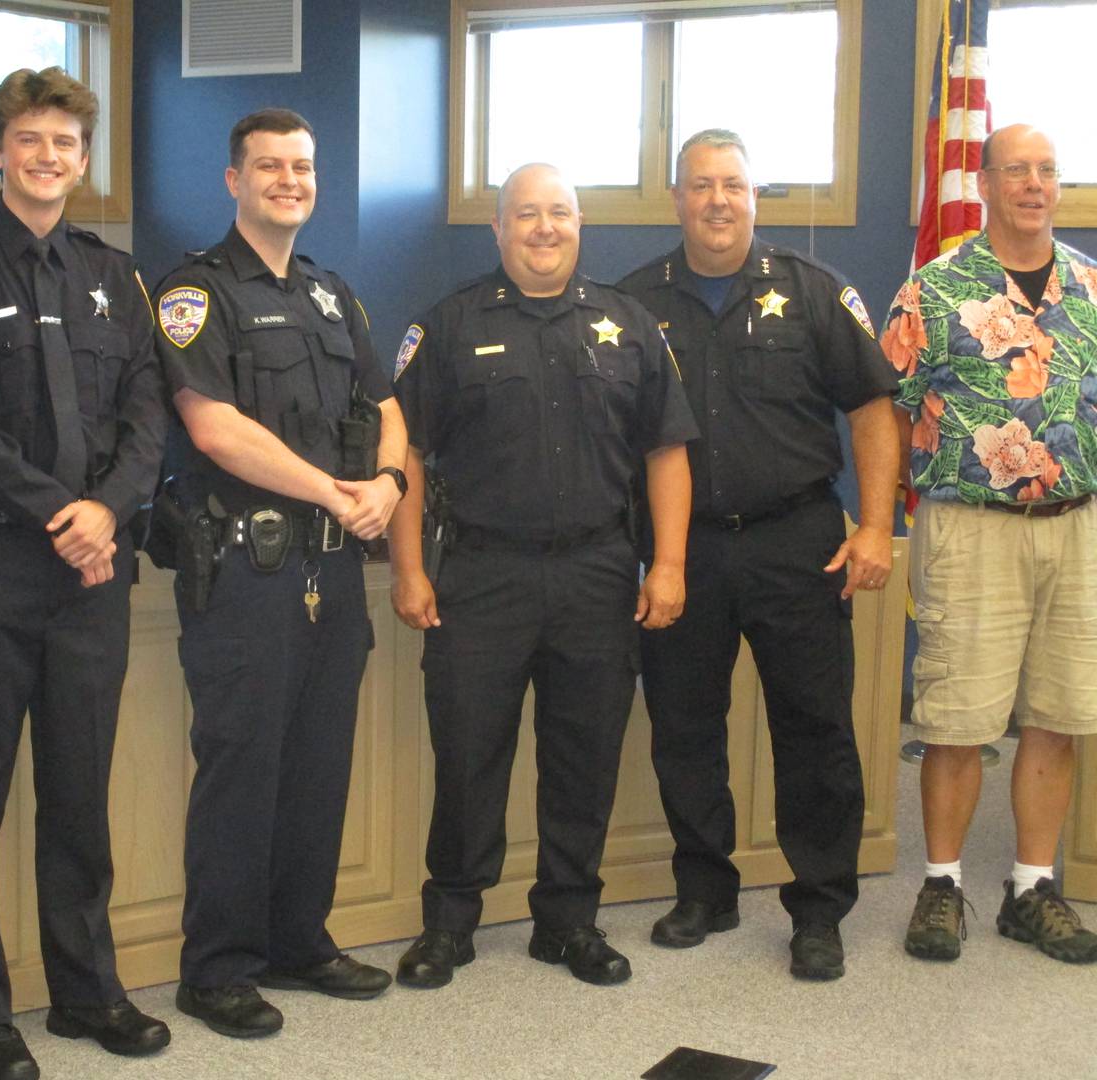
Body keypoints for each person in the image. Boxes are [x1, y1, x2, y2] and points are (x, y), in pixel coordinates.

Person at [0, 68, 169, 1079]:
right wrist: (59, 512)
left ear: (83, 157)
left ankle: (86, 990)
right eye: (30, 140)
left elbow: (148, 409)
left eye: (65, 143)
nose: (48, 157)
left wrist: (107, 508)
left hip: (94, 573)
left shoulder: (116, 275)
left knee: (78, 791)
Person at [388, 162, 697, 991]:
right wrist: (409, 568)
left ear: (580, 224)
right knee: (467, 755)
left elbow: (667, 449)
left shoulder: (627, 325)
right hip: (482, 573)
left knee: (585, 755)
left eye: (559, 212)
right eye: (526, 214)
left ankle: (569, 921)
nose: (544, 228)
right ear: (498, 229)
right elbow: (404, 453)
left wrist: (667, 564)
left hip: (597, 570)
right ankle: (450, 922)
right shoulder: (449, 326)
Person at [618, 129, 899, 981]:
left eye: (732, 185)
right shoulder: (634, 303)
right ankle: (705, 889)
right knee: (684, 725)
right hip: (681, 550)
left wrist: (877, 525)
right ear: (675, 199)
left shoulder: (815, 291)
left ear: (754, 196)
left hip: (797, 542)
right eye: (700, 185)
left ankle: (818, 907)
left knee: (814, 728)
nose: (716, 200)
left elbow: (873, 409)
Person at [151, 108, 406, 1038]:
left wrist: (389, 479)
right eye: (269, 166)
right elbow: (212, 425)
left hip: (332, 574)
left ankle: (301, 941)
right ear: (233, 180)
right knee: (242, 766)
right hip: (244, 570)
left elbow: (385, 403)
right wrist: (338, 494)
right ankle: (215, 967)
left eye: (302, 165)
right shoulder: (194, 292)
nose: (288, 180)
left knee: (317, 763)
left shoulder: (335, 295)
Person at [883, 124, 1097, 965]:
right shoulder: (935, 290)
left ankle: (1031, 888)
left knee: (1058, 713)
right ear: (984, 181)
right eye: (1017, 170)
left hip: (1077, 530)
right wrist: (893, 512)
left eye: (1048, 171)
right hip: (970, 531)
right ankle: (943, 884)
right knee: (955, 718)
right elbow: (888, 410)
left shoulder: (1090, 286)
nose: (1035, 185)